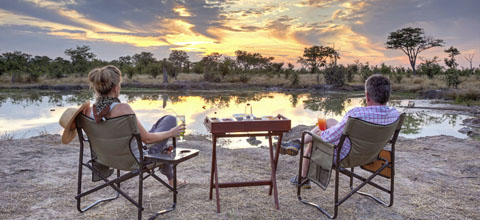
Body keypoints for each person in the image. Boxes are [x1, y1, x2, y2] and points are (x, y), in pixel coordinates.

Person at [282, 74, 400, 189]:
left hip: (344, 156)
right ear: (388, 95)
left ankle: (302, 176)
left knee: (314, 139)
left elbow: (328, 138)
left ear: (367, 96)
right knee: (329, 121)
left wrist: (318, 135)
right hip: (371, 155)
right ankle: (297, 143)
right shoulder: (395, 114)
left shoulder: (357, 114)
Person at [84, 65, 186, 187]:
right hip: (135, 159)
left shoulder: (88, 111)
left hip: (105, 159)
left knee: (162, 125)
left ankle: (169, 172)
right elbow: (148, 139)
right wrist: (171, 133)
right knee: (170, 120)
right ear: (116, 87)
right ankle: (170, 174)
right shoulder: (123, 109)